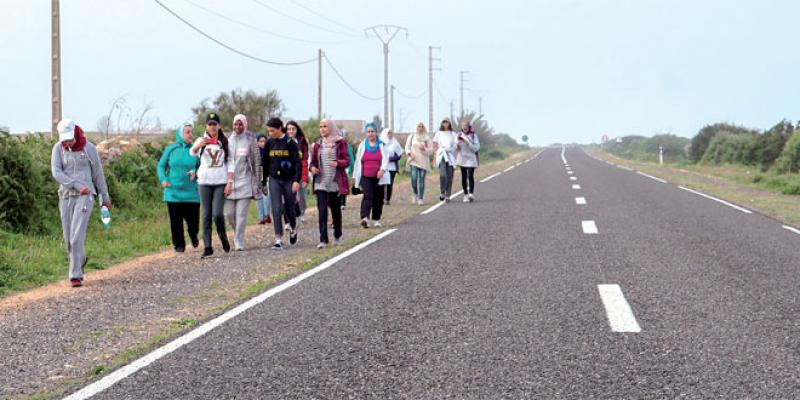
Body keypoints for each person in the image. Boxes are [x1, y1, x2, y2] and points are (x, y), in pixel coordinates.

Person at [51, 119, 111, 287]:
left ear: (76, 132)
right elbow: (56, 172)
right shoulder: (58, 149)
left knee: (77, 236)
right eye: (65, 139)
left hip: (86, 196)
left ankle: (75, 275)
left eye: (70, 138)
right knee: (68, 238)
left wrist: (104, 198)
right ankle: (81, 259)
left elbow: (98, 174)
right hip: (66, 195)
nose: (68, 142)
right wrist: (76, 185)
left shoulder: (89, 148)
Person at [190, 112, 232, 258]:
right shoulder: (202, 139)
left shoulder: (224, 141)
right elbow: (192, 152)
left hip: (220, 182)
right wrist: (197, 147)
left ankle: (223, 237)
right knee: (206, 215)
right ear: (206, 126)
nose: (212, 127)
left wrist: (230, 182)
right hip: (204, 182)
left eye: (215, 124)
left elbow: (230, 162)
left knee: (217, 214)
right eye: (210, 124)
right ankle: (208, 247)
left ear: (219, 126)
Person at [157, 124, 200, 253]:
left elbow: (203, 166)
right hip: (173, 192)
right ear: (181, 134)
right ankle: (179, 245)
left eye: (191, 132)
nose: (190, 135)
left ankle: (193, 235)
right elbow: (160, 166)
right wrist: (163, 180)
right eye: (187, 132)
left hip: (192, 193)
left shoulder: (195, 149)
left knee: (193, 223)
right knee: (175, 222)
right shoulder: (171, 149)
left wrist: (196, 171)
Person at [309, 118, 350, 248]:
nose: (322, 129)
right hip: (321, 181)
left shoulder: (340, 143)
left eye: (325, 126)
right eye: (320, 127)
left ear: (331, 128)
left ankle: (337, 235)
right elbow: (313, 162)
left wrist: (338, 163)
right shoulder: (318, 144)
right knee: (322, 211)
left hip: (335, 181)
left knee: (335, 210)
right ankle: (323, 240)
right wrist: (313, 168)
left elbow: (347, 160)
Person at [262, 117, 301, 250]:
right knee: (276, 208)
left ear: (279, 128)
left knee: (289, 207)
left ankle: (293, 228)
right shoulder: (269, 143)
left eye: (272, 131)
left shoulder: (290, 142)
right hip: (274, 179)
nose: (270, 134)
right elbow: (265, 163)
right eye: (268, 131)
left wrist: (297, 180)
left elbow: (297, 163)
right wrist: (263, 181)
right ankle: (278, 238)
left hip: (289, 179)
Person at [224, 114, 262, 251]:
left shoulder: (250, 140)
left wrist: (258, 182)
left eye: (240, 124)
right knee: (229, 214)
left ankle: (239, 240)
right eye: (235, 124)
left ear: (245, 125)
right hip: (229, 183)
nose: (237, 127)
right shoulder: (227, 139)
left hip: (245, 181)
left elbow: (256, 161)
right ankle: (237, 233)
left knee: (241, 215)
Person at [353, 123, 391, 228]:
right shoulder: (362, 145)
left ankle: (377, 219)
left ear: (376, 132)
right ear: (366, 133)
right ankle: (364, 217)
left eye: (372, 131)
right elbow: (358, 161)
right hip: (366, 176)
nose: (370, 134)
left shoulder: (382, 145)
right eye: (368, 132)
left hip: (379, 176)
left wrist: (382, 170)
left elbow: (386, 159)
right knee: (367, 195)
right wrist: (355, 176)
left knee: (378, 198)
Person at [285, 121, 309, 224]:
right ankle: (289, 219)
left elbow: (305, 160)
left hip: (300, 173)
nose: (291, 131)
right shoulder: (283, 141)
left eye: (293, 129)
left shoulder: (301, 141)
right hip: (288, 174)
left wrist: (304, 177)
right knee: (288, 196)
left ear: (296, 130)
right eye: (289, 129)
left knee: (302, 196)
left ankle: (303, 212)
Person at [404, 121, 433, 205]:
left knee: (421, 180)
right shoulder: (412, 136)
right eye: (419, 126)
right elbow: (407, 147)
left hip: (423, 162)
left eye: (422, 126)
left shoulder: (427, 138)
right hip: (414, 160)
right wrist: (409, 152)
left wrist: (425, 149)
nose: (420, 128)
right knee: (413, 178)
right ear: (416, 127)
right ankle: (415, 193)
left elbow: (431, 150)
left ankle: (420, 198)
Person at [456, 121, 481, 202]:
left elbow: (476, 148)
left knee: (470, 175)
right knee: (463, 177)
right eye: (463, 125)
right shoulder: (459, 135)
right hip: (462, 158)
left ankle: (471, 194)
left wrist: (468, 143)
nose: (464, 127)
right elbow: (454, 148)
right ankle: (465, 194)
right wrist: (457, 145)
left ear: (469, 126)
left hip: (471, 159)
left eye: (466, 125)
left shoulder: (473, 135)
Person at [433, 119, 457, 202]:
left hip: (450, 156)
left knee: (450, 176)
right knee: (443, 175)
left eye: (447, 122)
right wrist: (434, 157)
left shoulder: (453, 134)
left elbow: (455, 145)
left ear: (449, 124)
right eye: (444, 122)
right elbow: (435, 146)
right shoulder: (438, 133)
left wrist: (451, 150)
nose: (445, 124)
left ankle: (448, 194)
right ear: (442, 124)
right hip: (441, 155)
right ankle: (442, 191)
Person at [380, 128, 404, 205]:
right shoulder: (381, 143)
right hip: (383, 166)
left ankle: (387, 199)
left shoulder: (395, 143)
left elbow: (399, 155)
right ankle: (382, 198)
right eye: (388, 133)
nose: (390, 135)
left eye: (391, 133)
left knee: (389, 184)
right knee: (383, 183)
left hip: (392, 167)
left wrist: (391, 159)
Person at [255, 134, 272, 225]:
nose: (263, 143)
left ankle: (267, 215)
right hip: (257, 177)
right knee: (259, 197)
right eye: (260, 141)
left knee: (267, 196)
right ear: (257, 142)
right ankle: (261, 217)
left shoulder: (269, 152)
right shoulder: (254, 153)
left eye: (264, 141)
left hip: (267, 177)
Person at [339, 130, 356, 210]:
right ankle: (338, 202)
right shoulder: (334, 145)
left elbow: (351, 158)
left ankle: (343, 203)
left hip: (346, 168)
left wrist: (352, 169)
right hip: (337, 168)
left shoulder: (347, 146)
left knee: (344, 185)